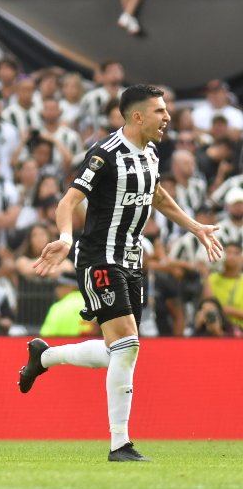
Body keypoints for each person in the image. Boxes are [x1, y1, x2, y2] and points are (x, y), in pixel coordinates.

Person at [18, 84, 223, 462]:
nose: (167, 117)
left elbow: (156, 195)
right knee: (128, 344)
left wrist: (195, 226)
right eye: (160, 111)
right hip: (99, 257)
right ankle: (120, 444)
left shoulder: (150, 152)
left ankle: (43, 357)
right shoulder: (105, 154)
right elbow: (69, 200)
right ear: (138, 116)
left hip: (132, 260)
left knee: (118, 352)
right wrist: (65, 236)